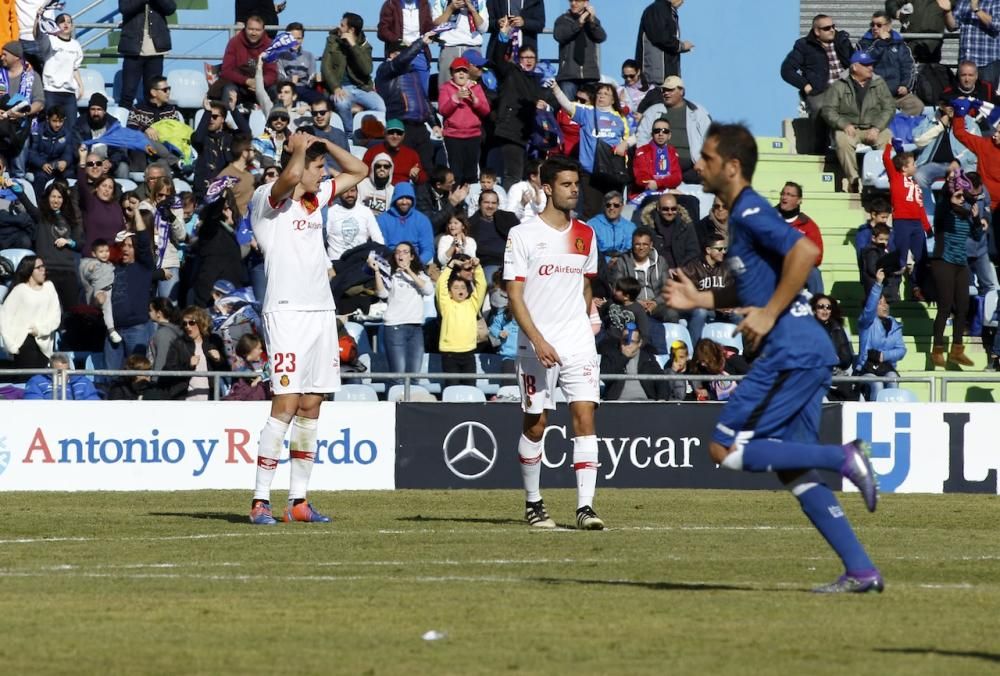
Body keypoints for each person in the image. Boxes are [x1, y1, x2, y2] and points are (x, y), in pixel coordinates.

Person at [664, 122, 883, 593]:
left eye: (706, 157)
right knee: (791, 468)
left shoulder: (749, 211)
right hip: (806, 350)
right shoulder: (741, 218)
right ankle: (861, 570)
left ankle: (842, 456)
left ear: (732, 167)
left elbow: (805, 252)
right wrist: (698, 300)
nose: (698, 165)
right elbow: (749, 285)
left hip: (790, 351)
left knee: (721, 446)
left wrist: (767, 314)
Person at [248, 131, 368, 526]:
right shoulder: (268, 199)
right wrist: (298, 150)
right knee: (284, 405)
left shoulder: (316, 201)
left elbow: (360, 169)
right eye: (318, 169)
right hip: (285, 313)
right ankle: (260, 500)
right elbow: (287, 179)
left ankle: (298, 500)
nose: (324, 174)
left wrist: (323, 143)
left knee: (312, 406)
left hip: (320, 312)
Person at [503, 155, 604, 531]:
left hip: (577, 340)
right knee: (536, 423)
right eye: (566, 184)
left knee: (585, 416)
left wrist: (586, 319)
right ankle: (534, 502)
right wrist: (538, 339)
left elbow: (586, 283)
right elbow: (514, 294)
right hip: (536, 344)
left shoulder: (586, 234)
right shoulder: (523, 234)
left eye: (576, 183)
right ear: (547, 187)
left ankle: (585, 508)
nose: (574, 190)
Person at [549, 77, 632, 218]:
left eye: (606, 94)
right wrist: (555, 88)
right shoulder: (586, 112)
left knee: (613, 212)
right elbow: (567, 105)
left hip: (613, 171)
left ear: (613, 100)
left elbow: (634, 136)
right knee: (592, 212)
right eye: (599, 93)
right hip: (590, 172)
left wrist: (625, 144)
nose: (601, 96)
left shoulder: (620, 118)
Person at [821, 51, 896, 193]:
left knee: (888, 139)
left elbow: (889, 108)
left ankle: (885, 180)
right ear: (855, 67)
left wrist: (877, 128)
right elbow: (828, 110)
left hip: (873, 128)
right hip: (850, 128)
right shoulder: (839, 85)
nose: (870, 68)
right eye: (866, 65)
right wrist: (843, 124)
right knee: (842, 141)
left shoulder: (879, 83)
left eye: (871, 64)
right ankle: (853, 180)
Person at [929, 173, 982, 367]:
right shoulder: (944, 212)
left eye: (963, 196)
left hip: (961, 264)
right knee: (945, 307)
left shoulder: (966, 214)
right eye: (958, 196)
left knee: (963, 307)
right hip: (943, 261)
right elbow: (943, 203)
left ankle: (957, 349)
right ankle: (937, 349)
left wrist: (976, 218)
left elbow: (977, 236)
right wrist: (951, 191)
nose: (961, 199)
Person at [375, 33, 440, 172]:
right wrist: (421, 42)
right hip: (400, 126)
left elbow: (423, 100)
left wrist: (434, 124)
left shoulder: (413, 73)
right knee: (404, 168)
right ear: (392, 54)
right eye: (402, 52)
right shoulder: (385, 70)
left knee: (427, 169)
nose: (408, 56)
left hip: (420, 128)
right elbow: (400, 61)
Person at [371, 241, 434, 385]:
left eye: (405, 252)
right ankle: (396, 404)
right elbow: (382, 293)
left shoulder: (421, 275)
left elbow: (428, 290)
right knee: (398, 375)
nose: (401, 255)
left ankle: (412, 405)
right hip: (395, 327)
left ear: (412, 257)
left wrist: (409, 271)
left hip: (416, 328)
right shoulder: (391, 275)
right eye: (398, 252)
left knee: (414, 375)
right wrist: (377, 272)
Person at [104, 208, 156, 371]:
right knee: (111, 378)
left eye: (130, 246)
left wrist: (136, 213)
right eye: (124, 245)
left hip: (137, 329)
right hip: (113, 330)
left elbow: (143, 239)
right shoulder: (114, 268)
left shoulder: (144, 266)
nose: (125, 248)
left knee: (137, 374)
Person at [17, 179, 81, 311]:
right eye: (53, 196)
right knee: (46, 312)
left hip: (67, 271)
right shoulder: (41, 216)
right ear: (48, 198)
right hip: (46, 271)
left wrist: (69, 242)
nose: (56, 200)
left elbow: (80, 243)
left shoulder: (71, 218)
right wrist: (17, 189)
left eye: (59, 197)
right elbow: (28, 205)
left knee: (73, 312)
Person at [634, 76, 711, 185]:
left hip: (692, 168)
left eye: (670, 90)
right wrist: (646, 162)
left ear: (681, 91)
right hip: (660, 166)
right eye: (664, 90)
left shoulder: (698, 111)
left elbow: (710, 140)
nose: (666, 93)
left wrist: (703, 161)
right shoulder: (653, 111)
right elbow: (641, 138)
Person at [322, 12, 385, 136]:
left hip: (362, 87)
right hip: (340, 87)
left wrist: (354, 46)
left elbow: (367, 70)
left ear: (351, 30)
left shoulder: (364, 45)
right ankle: (350, 135)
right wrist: (335, 87)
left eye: (342, 25)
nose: (339, 27)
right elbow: (325, 67)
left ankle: (373, 135)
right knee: (342, 103)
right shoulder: (332, 41)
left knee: (380, 107)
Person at [780, 14, 853, 115]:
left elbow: (856, 63)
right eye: (827, 28)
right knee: (821, 110)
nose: (832, 30)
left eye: (833, 26)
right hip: (820, 91)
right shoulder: (804, 46)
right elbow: (786, 70)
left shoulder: (842, 40)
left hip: (846, 89)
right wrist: (805, 85)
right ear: (817, 31)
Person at [0, 255, 60, 372]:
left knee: (40, 381)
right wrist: (11, 345)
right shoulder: (20, 290)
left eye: (43, 266)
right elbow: (4, 317)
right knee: (26, 380)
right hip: (24, 342)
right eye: (39, 267)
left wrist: (40, 330)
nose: (43, 270)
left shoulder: (49, 287)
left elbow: (55, 316)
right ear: (29, 270)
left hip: (45, 342)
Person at [857, 10, 923, 115]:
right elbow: (865, 61)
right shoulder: (863, 44)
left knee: (916, 106)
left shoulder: (900, 45)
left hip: (897, 94)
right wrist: (881, 43)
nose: (875, 28)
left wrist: (905, 85)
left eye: (879, 25)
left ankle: (900, 129)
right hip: (874, 95)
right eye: (872, 25)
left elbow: (908, 66)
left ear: (888, 27)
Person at [438, 56, 490, 185]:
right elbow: (443, 110)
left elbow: (486, 111)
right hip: (453, 136)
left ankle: (470, 201)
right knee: (456, 173)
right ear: (452, 73)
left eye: (464, 71)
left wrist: (475, 101)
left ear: (468, 74)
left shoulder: (476, 88)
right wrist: (455, 98)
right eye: (457, 71)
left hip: (473, 136)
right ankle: (457, 201)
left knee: (471, 173)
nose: (461, 73)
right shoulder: (446, 88)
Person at [436, 255, 487, 386]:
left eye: (463, 288)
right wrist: (451, 264)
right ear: (450, 292)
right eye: (456, 288)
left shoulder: (472, 304)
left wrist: (478, 267)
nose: (460, 290)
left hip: (469, 354)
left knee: (470, 389)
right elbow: (441, 284)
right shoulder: (446, 305)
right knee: (452, 389)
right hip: (450, 355)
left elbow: (482, 286)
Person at [856, 269, 906, 399]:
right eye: (880, 303)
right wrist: (878, 284)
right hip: (867, 368)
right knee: (877, 384)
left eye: (885, 303)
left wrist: (884, 355)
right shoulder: (866, 323)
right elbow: (869, 309)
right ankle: (876, 415)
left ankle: (892, 413)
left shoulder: (895, 324)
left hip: (886, 367)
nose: (884, 306)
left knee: (893, 379)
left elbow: (901, 350)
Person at [117, 0, 176, 110]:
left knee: (153, 94)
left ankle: (152, 124)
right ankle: (123, 124)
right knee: (127, 94)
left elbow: (170, 8)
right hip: (133, 48)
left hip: (156, 49)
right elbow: (124, 8)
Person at [608, 226, 674, 323]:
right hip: (631, 304)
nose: (641, 248)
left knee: (672, 314)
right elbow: (617, 289)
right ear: (632, 245)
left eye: (645, 244)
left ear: (651, 245)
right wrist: (635, 303)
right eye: (637, 244)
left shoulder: (661, 262)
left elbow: (667, 289)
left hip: (655, 304)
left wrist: (655, 302)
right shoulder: (622, 262)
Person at [678, 232, 735, 344]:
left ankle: (743, 352)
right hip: (695, 307)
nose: (723, 252)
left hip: (718, 309)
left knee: (738, 313)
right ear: (708, 250)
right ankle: (695, 350)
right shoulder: (692, 267)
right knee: (701, 312)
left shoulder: (727, 267)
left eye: (725, 248)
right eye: (720, 249)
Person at [191, 98, 252, 200]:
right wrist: (207, 112)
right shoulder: (201, 137)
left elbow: (247, 133)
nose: (210, 119)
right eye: (208, 116)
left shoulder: (231, 137)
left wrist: (233, 110)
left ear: (223, 119)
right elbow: (197, 139)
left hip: (227, 191)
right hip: (204, 193)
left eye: (214, 116)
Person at [33, 9, 82, 129]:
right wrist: (37, 19)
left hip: (69, 94)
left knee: (71, 127)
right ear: (56, 25)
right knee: (49, 126)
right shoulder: (50, 41)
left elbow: (75, 68)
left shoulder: (76, 45)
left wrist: (81, 86)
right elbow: (37, 34)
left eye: (69, 22)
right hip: (51, 92)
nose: (66, 24)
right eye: (62, 21)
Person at [213, 15, 274, 109]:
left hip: (261, 86)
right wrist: (246, 81)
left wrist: (260, 83)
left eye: (257, 30)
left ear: (263, 30)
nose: (254, 33)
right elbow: (226, 71)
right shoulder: (234, 42)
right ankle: (226, 120)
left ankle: (277, 120)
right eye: (251, 29)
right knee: (228, 90)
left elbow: (272, 73)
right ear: (245, 28)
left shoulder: (269, 45)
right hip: (238, 85)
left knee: (277, 91)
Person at [376, 0, 435, 97]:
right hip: (399, 53)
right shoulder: (390, 4)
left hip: (420, 52)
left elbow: (428, 26)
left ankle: (423, 111)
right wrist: (399, 41)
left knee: (422, 93)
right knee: (400, 94)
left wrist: (434, 33)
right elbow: (382, 30)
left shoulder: (424, 4)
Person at [776, 181, 824, 295]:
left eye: (790, 195)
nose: (784, 197)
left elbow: (817, 255)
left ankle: (817, 308)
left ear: (799, 200)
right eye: (783, 193)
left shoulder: (808, 225)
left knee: (814, 273)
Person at [552, 0, 606, 101]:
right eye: (571, 0)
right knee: (568, 110)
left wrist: (592, 21)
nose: (573, 3)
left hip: (589, 74)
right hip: (568, 75)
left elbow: (601, 37)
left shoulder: (592, 20)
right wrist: (578, 23)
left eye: (578, 1)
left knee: (591, 109)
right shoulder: (562, 19)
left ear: (586, 3)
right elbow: (559, 36)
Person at [376, 181, 435, 266]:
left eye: (408, 198)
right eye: (400, 198)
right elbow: (380, 248)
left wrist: (415, 265)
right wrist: (393, 264)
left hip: (416, 264)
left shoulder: (422, 220)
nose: (404, 202)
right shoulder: (382, 219)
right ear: (394, 199)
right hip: (390, 263)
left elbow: (428, 249)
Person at [177, 305, 228, 400]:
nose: (187, 326)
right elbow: (169, 369)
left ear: (201, 323)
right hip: (187, 400)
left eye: (191, 323)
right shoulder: (179, 343)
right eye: (185, 324)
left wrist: (219, 359)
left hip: (212, 398)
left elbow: (227, 369)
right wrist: (188, 365)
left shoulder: (214, 341)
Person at [811, 293, 856, 401]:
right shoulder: (808, 328)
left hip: (836, 372)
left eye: (828, 307)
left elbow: (847, 358)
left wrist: (838, 360)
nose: (825, 310)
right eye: (821, 307)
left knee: (849, 391)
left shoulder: (838, 329)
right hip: (815, 373)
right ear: (814, 309)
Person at [74, 92, 130, 180]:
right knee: (79, 166)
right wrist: (95, 163)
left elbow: (121, 150)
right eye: (93, 109)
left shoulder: (113, 124)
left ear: (104, 111)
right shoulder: (80, 124)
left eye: (99, 109)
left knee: (123, 167)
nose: (96, 113)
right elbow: (77, 149)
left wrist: (111, 162)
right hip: (89, 162)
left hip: (108, 163)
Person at [635, 0, 692, 84]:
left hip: (666, 78)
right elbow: (661, 37)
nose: (683, 1)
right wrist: (681, 46)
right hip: (655, 79)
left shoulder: (666, 10)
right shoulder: (657, 9)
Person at [948, 0, 1000, 89]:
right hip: (965, 62)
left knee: (986, 99)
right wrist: (947, 12)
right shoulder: (962, 2)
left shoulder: (995, 2)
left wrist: (976, 9)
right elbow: (952, 26)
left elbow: (997, 25)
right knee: (963, 98)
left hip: (987, 63)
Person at [326, 185, 384, 262]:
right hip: (336, 262)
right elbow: (320, 242)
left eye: (352, 191)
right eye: (345, 191)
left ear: (357, 192)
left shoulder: (365, 212)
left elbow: (378, 240)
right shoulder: (330, 212)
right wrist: (328, 266)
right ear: (339, 193)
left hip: (359, 262)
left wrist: (373, 260)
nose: (349, 194)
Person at [26, 107, 72, 202]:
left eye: (61, 121)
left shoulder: (67, 133)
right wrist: (42, 164)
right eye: (54, 121)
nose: (58, 124)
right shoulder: (37, 130)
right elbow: (31, 153)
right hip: (41, 167)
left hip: (58, 167)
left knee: (71, 174)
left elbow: (68, 152)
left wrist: (65, 162)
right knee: (41, 178)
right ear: (47, 119)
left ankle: (67, 206)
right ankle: (38, 206)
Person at [363, 118, 427, 186]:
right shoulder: (373, 151)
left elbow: (423, 178)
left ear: (403, 135)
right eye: (391, 132)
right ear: (384, 133)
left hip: (401, 192)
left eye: (399, 133)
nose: (395, 136)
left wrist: (416, 176)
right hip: (377, 189)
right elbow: (363, 173)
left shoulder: (412, 154)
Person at [887, 0, 954, 64]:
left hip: (932, 46)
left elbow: (956, 19)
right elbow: (892, 3)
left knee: (928, 72)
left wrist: (948, 11)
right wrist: (898, 13)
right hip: (909, 43)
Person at [632, 115, 682, 195]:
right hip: (646, 193)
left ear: (669, 135)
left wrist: (658, 184)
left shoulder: (672, 152)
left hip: (668, 192)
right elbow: (642, 179)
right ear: (652, 134)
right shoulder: (642, 151)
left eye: (665, 131)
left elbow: (677, 178)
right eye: (657, 131)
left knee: (692, 201)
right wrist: (663, 188)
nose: (660, 134)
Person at [649, 192, 700, 269]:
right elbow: (646, 252)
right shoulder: (649, 226)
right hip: (656, 270)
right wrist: (663, 270)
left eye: (673, 209)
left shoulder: (686, 225)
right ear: (658, 208)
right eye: (665, 209)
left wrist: (679, 268)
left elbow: (694, 251)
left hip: (682, 269)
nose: (670, 212)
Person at [23, 352, 101, 400]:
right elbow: (34, 406)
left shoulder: (84, 382)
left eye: (67, 370)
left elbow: (93, 404)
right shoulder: (36, 382)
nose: (64, 375)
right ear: (50, 369)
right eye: (59, 372)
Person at [274, 22, 319, 104]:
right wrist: (292, 80)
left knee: (323, 100)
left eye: (299, 38)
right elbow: (280, 77)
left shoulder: (309, 56)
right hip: (286, 91)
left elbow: (311, 77)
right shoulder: (280, 56)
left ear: (303, 39)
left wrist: (300, 80)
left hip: (305, 90)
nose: (295, 42)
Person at [587, 190, 635, 261]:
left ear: (622, 207)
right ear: (604, 207)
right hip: (599, 263)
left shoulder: (630, 227)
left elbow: (631, 249)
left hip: (623, 263)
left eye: (616, 205)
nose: (611, 208)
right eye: (608, 205)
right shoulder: (592, 224)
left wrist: (618, 260)